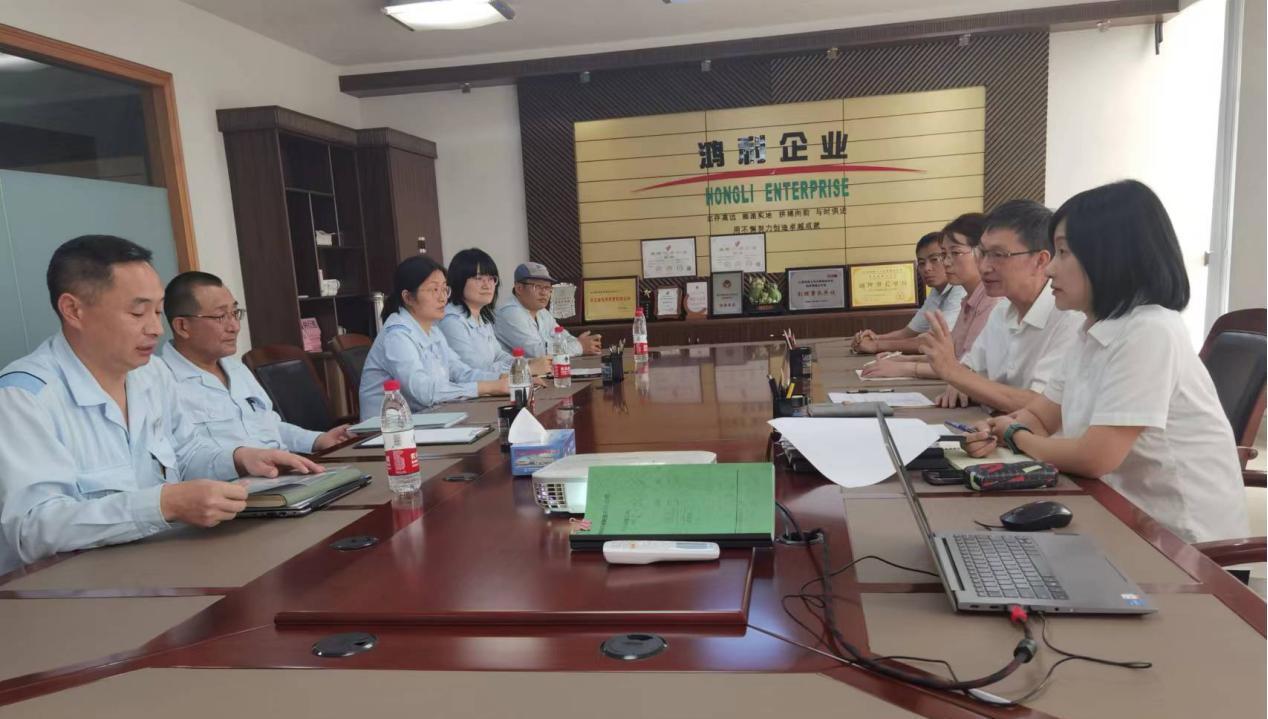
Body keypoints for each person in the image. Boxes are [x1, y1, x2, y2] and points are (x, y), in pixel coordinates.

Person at [0, 236, 321, 573]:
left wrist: (240, 458)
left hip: (166, 564)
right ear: (73, 310)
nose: (155, 328)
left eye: (157, 311)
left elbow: (185, 452)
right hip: (74, 586)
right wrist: (162, 505)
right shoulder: (24, 397)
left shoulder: (151, 374)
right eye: (137, 312)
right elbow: (32, 528)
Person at [963, 181, 1248, 543]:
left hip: (1184, 544)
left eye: (1063, 253)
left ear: (1111, 257)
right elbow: (1042, 417)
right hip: (1118, 514)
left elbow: (1095, 457)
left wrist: (1014, 435)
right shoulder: (1090, 330)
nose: (1050, 270)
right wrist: (996, 429)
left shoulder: (1150, 331)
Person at [158, 271, 352, 454]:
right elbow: (184, 459)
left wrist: (317, 440)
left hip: (284, 471)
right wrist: (243, 461)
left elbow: (269, 426)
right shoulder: (162, 383)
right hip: (242, 478)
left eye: (235, 313)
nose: (234, 326)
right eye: (220, 316)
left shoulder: (236, 368)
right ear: (182, 326)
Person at [917, 200, 1083, 412]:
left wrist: (954, 373)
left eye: (999, 255)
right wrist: (959, 379)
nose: (984, 267)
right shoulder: (1002, 310)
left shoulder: (1070, 318)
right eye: (983, 253)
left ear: (1040, 261)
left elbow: (1043, 406)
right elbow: (971, 367)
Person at [359, 255, 511, 420]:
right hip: (387, 429)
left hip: (429, 418)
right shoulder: (396, 335)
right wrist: (488, 387)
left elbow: (460, 373)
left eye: (444, 289)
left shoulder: (433, 331)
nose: (442, 298)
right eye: (434, 290)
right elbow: (424, 392)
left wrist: (501, 379)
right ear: (408, 297)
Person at [861, 213, 1002, 379]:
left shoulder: (993, 301)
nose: (946, 262)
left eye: (955, 253)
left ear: (982, 253)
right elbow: (952, 356)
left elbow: (968, 369)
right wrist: (902, 359)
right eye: (944, 255)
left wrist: (907, 367)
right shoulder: (969, 300)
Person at [438, 249, 550, 376]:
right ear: (460, 280)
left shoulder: (481, 318)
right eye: (479, 278)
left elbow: (498, 355)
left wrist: (526, 363)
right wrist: (526, 369)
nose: (487, 285)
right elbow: (473, 372)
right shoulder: (451, 321)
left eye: (491, 278)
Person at [851, 232, 965, 354]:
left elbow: (936, 341)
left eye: (934, 259)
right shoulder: (937, 291)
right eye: (921, 263)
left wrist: (877, 345)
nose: (927, 268)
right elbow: (909, 332)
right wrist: (875, 338)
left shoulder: (961, 288)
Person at [494, 262, 602, 358]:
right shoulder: (510, 313)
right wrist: (580, 346)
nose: (544, 293)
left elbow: (564, 337)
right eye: (537, 286)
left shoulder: (542, 312)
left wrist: (579, 343)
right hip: (515, 373)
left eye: (547, 287)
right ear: (519, 288)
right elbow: (537, 352)